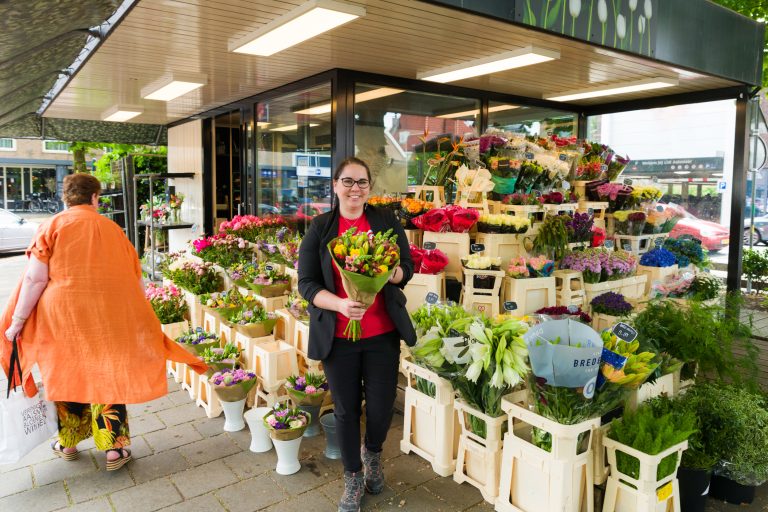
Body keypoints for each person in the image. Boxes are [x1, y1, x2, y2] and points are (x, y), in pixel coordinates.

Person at [1, 173, 206, 471]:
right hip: (106, 318)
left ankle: (68, 442)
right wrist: (142, 314)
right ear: (95, 198)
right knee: (107, 372)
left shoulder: (51, 226)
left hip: (62, 317)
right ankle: (113, 449)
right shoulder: (113, 229)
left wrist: (18, 320)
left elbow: (34, 278)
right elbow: (135, 279)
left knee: (67, 371)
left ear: (65, 198)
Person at [298, 157, 416, 512]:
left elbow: (406, 267)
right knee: (347, 411)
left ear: (369, 188)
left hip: (381, 335)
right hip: (338, 337)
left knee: (380, 410)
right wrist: (339, 304)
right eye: (348, 182)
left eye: (362, 182)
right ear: (335, 186)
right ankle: (352, 477)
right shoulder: (320, 228)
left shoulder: (385, 222)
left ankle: (374, 455)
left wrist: (392, 273)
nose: (355, 189)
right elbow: (306, 284)